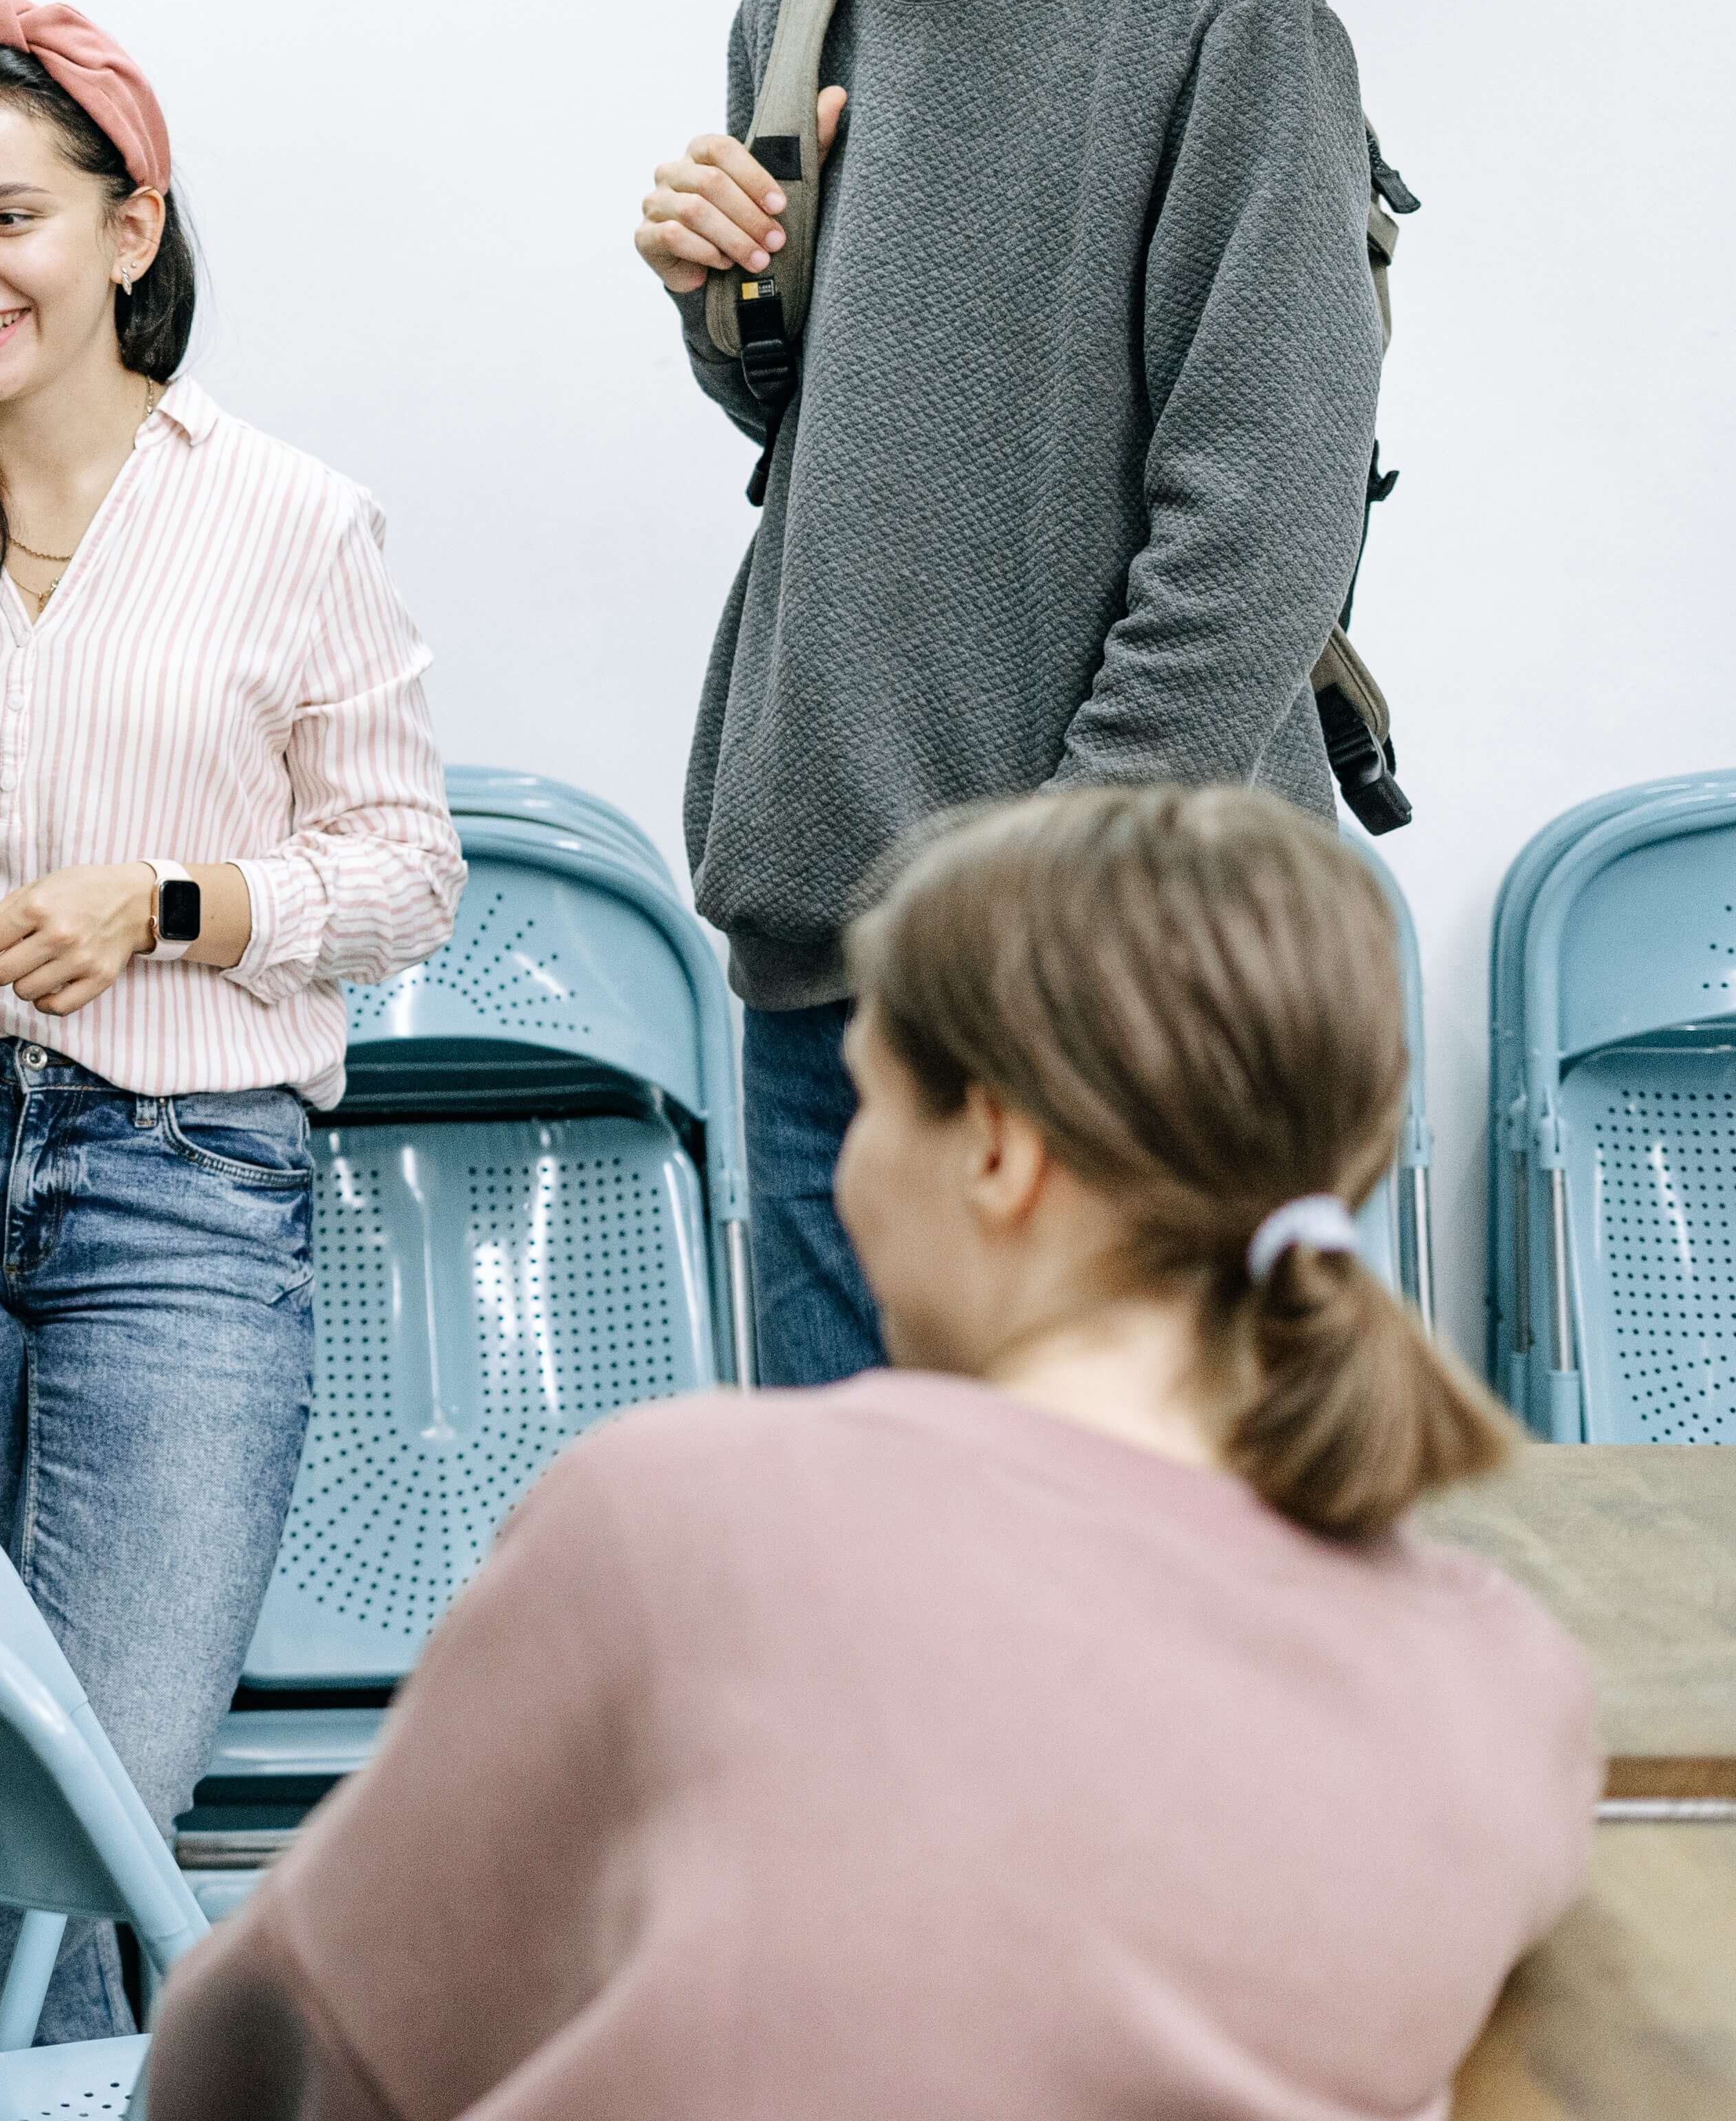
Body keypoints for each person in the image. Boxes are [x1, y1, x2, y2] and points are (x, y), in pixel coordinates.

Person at [145, 784, 1592, 2119]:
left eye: (872, 1095)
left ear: (996, 1152)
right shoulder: (1510, 1688)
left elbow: (273, 2054)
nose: (842, 1164)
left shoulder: (687, 1515)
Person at [625, 0, 1390, 1387]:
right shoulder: (792, 2)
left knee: (1140, 1625)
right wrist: (730, 311)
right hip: (827, 985)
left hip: (1116, 995)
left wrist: (1033, 926)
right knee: (853, 1627)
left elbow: (1262, 529)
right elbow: (846, 438)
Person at [0, 0, 461, 2043]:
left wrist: (163, 904)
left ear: (131, 229)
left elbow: (406, 872)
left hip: (189, 1183)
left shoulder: (291, 518)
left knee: (88, 1780)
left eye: (7, 218)